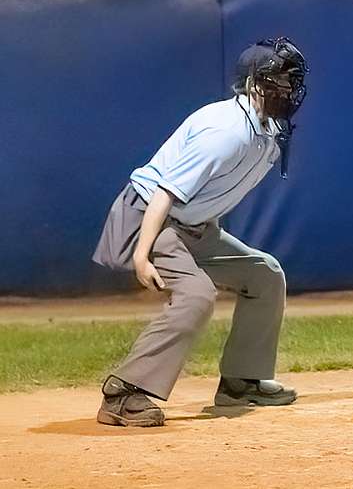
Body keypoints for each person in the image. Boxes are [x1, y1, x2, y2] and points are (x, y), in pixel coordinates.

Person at [90, 38, 308, 427]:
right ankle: (124, 393)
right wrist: (141, 255)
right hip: (148, 218)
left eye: (292, 81)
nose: (288, 90)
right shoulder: (225, 131)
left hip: (191, 226)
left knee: (265, 274)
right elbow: (165, 192)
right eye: (279, 81)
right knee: (197, 294)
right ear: (254, 84)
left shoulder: (269, 129)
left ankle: (241, 381)